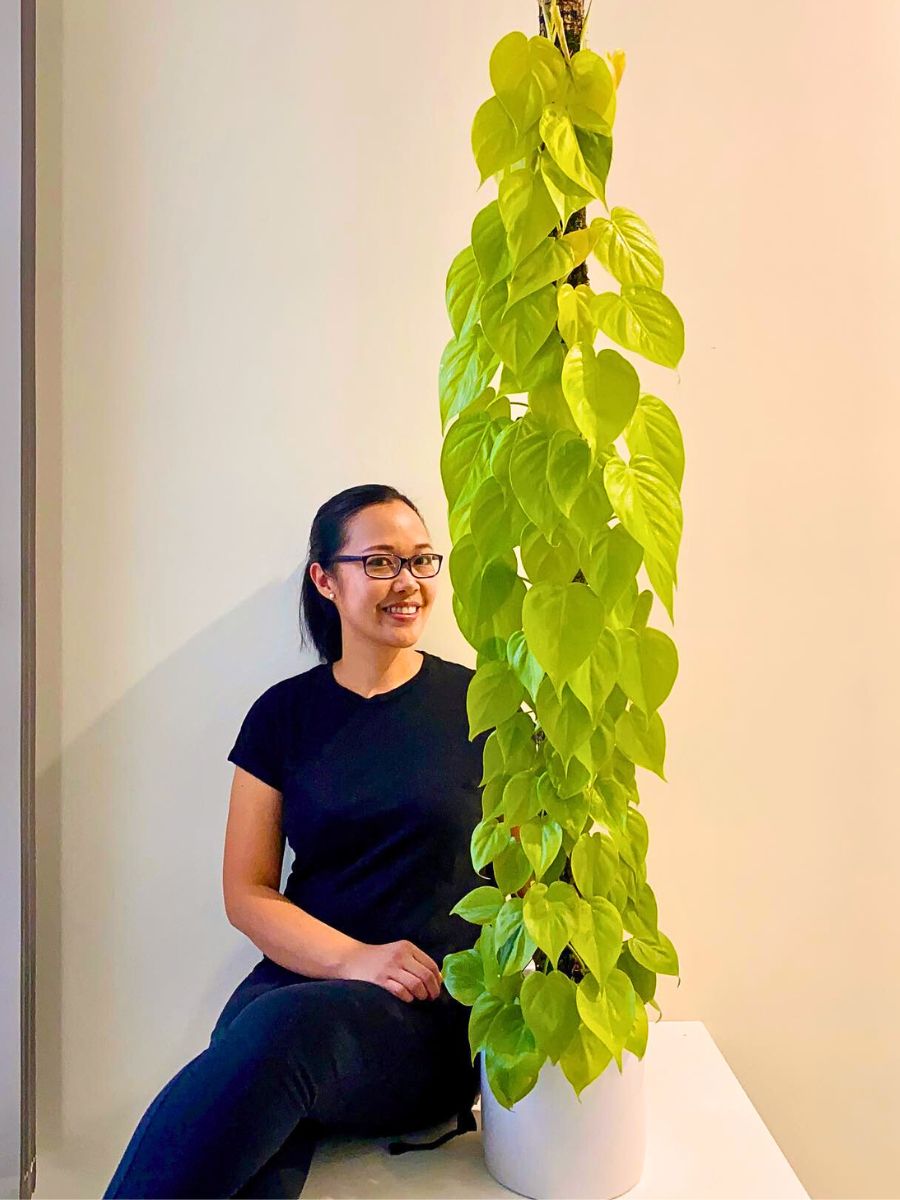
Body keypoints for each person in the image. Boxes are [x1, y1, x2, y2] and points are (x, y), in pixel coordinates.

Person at [102, 484, 493, 1199]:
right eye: (379, 562)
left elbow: (533, 883)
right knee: (260, 1101)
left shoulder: (481, 709)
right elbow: (247, 891)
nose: (407, 583)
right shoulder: (282, 715)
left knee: (277, 1038)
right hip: (298, 985)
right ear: (325, 578)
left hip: (424, 1009)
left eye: (421, 561)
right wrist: (350, 958)